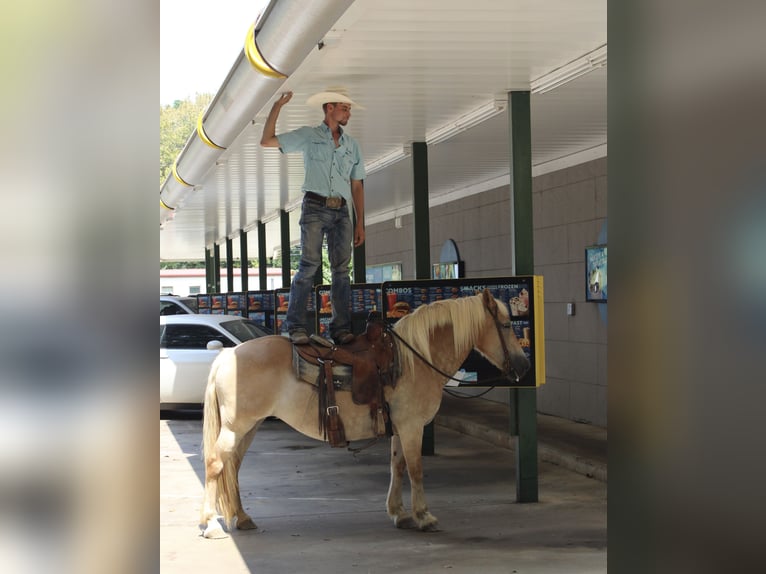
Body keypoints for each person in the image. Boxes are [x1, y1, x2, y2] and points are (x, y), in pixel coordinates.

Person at [260, 90, 365, 345]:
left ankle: (340, 329)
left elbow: (357, 185)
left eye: (349, 109)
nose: (348, 113)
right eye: (344, 108)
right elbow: (267, 140)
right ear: (329, 108)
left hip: (342, 211)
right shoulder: (309, 136)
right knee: (309, 266)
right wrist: (277, 106)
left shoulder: (353, 145)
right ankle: (295, 326)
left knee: (342, 271)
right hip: (315, 207)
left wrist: (360, 221)